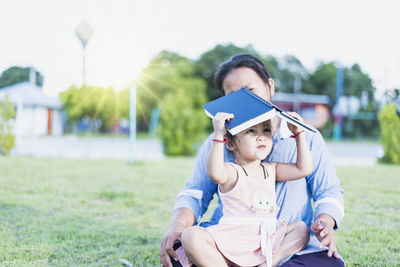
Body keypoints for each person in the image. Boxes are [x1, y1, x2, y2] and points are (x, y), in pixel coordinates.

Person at [160, 54, 345, 267]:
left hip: (283, 245)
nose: (244, 101)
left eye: (250, 91)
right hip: (229, 243)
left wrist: (325, 221)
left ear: (270, 87)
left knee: (328, 264)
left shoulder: (307, 138)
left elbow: (328, 190)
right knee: (181, 251)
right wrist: (178, 225)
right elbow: (195, 192)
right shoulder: (220, 142)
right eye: (234, 96)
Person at [180, 111, 312, 267]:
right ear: (230, 143)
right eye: (251, 131)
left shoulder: (271, 169)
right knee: (190, 236)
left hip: (266, 241)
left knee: (301, 229)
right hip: (233, 240)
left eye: (266, 130)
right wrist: (218, 136)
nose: (261, 136)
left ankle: (267, 264)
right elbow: (214, 173)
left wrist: (299, 134)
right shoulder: (232, 171)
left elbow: (304, 169)